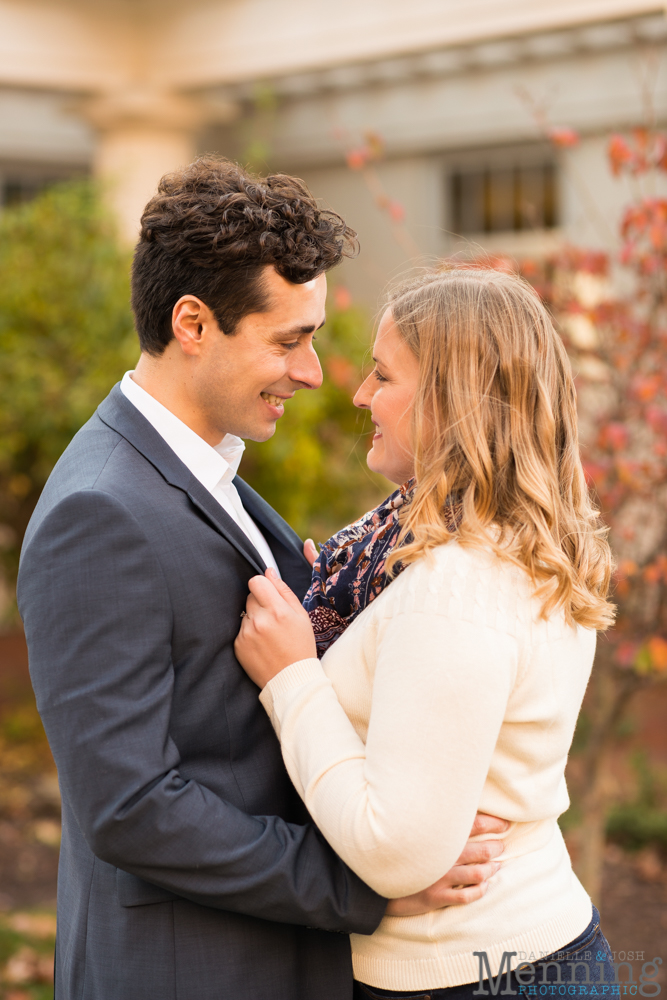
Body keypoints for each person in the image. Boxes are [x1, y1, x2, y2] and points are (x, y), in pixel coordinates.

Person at [17, 160, 506, 1000]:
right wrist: (363, 883)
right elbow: (130, 805)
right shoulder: (98, 515)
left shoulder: (203, 471)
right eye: (288, 341)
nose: (314, 373)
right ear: (193, 324)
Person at [234, 268, 618, 1000]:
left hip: (474, 972)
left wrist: (290, 678)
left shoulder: (455, 588)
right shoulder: (488, 547)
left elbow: (394, 852)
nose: (358, 395)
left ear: (449, 400)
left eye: (383, 375)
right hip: (520, 957)